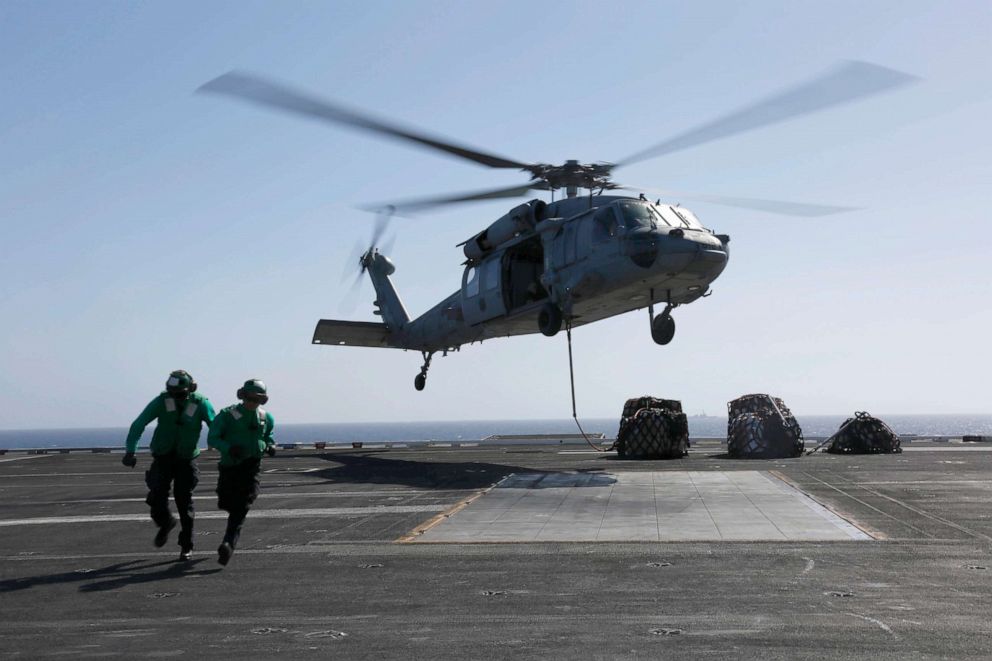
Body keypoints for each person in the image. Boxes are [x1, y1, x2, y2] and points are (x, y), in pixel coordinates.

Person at [122, 370, 215, 561]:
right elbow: (139, 424)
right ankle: (166, 523)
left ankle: (186, 545)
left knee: (184, 501)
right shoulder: (161, 401)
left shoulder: (200, 403)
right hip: (162, 457)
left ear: (190, 389)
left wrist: (227, 446)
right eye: (173, 393)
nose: (176, 396)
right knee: (156, 497)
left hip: (185, 459)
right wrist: (130, 451)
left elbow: (216, 426)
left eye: (180, 393)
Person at [207, 378, 276, 566]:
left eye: (258, 399)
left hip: (251, 467)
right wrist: (228, 448)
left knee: (242, 506)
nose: (253, 402)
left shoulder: (265, 417)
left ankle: (228, 543)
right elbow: (212, 438)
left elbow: (268, 436)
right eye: (250, 398)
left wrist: (270, 446)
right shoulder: (227, 415)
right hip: (230, 467)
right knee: (226, 502)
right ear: (242, 396)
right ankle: (229, 539)